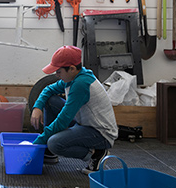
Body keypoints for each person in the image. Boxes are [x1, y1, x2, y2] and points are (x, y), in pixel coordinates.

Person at [31, 45, 118, 174]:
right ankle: (49, 152)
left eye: (59, 72)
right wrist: (37, 107)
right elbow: (48, 89)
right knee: (51, 101)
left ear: (71, 69)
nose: (57, 75)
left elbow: (63, 120)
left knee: (54, 143)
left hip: (100, 133)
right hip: (84, 122)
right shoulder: (73, 77)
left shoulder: (81, 84)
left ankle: (96, 153)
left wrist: (38, 143)